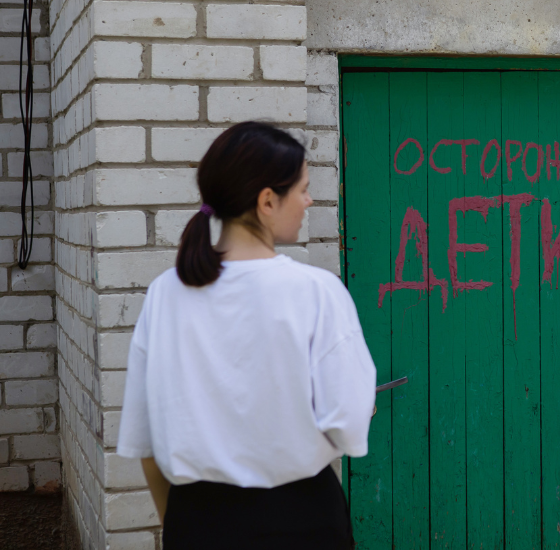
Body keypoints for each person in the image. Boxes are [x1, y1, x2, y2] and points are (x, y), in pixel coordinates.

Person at [117, 122, 377, 549]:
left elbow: (145, 442)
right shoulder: (316, 290)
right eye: (303, 189)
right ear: (268, 200)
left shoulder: (166, 291)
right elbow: (347, 426)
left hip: (196, 519)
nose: (309, 201)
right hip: (301, 520)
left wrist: (181, 526)